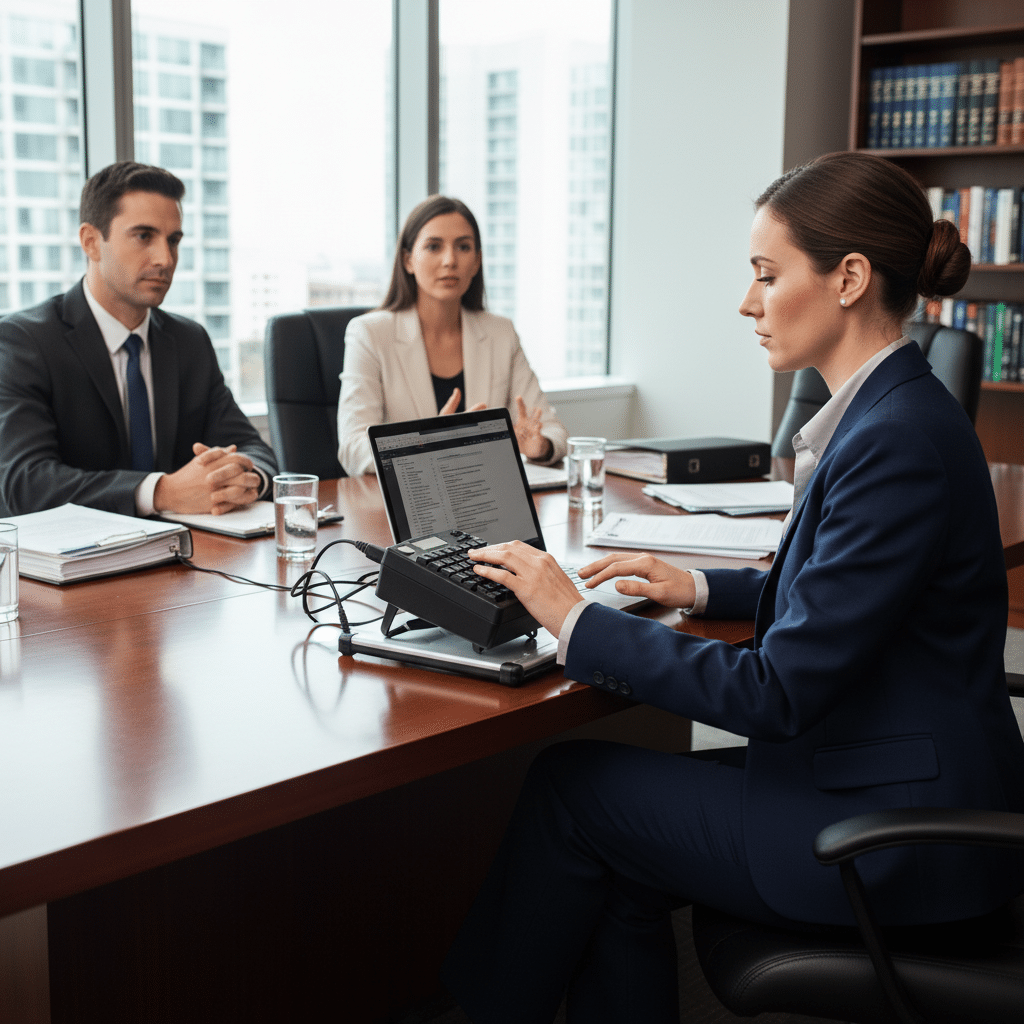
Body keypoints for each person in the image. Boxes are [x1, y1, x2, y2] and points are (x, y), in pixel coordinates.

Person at [441, 152, 1024, 1024]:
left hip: (895, 835)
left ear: (849, 279)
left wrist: (573, 619)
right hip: (884, 767)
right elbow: (855, 602)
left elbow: (779, 689)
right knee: (621, 853)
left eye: (765, 274)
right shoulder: (891, 411)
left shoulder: (894, 441)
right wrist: (702, 587)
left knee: (572, 789)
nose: (747, 302)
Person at [0, 161, 277, 519]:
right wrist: (161, 492)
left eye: (173, 240)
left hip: (187, 557)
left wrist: (246, 478)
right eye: (144, 236)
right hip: (75, 565)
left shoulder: (189, 340)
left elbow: (252, 446)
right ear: (91, 242)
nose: (165, 259)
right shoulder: (25, 342)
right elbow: (25, 483)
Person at [336, 195, 567, 476]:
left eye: (463, 247)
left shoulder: (500, 333)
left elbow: (553, 431)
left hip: (483, 497)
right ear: (408, 260)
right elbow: (352, 447)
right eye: (434, 247)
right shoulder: (370, 333)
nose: (450, 260)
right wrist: (430, 444)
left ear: (477, 260)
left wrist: (538, 446)